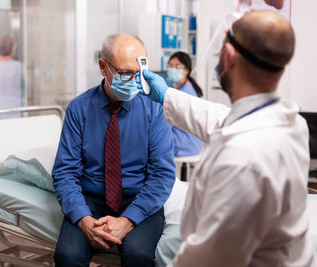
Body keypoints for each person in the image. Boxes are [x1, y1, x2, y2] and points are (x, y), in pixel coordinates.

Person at [137, 11, 317, 266]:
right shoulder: (289, 121)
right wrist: (167, 95)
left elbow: (206, 257)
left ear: (229, 56)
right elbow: (221, 119)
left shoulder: (241, 159)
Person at [51, 34, 175, 266]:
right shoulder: (79, 108)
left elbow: (163, 175)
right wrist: (85, 220)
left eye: (139, 73)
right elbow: (65, 173)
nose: (135, 81)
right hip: (90, 201)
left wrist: (128, 220)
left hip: (139, 199)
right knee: (67, 255)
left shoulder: (154, 108)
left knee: (138, 255)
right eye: (126, 73)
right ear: (102, 67)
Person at [166, 51, 203, 158]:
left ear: (186, 70)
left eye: (177, 66)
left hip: (184, 143)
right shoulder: (187, 87)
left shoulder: (184, 92)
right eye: (170, 66)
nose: (173, 69)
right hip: (194, 142)